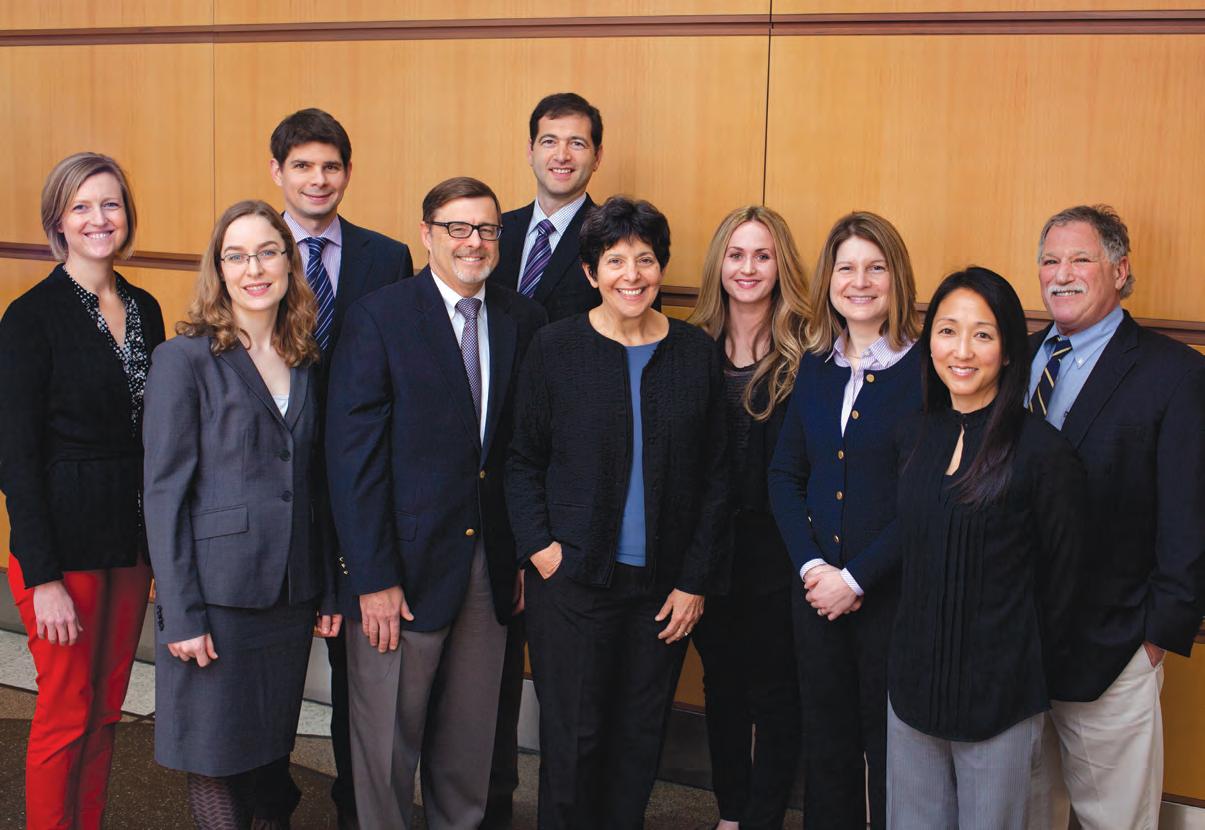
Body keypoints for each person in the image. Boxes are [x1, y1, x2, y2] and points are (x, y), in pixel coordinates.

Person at [325, 177, 545, 829]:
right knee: (385, 748)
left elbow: (524, 450)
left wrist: (520, 554)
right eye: (457, 228)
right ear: (427, 234)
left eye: (486, 229)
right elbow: (352, 460)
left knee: (469, 747)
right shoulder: (380, 317)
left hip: (488, 569)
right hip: (400, 572)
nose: (473, 242)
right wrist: (372, 578)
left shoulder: (522, 320)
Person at [506, 195, 729, 829]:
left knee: (638, 742)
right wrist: (542, 551)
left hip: (662, 591)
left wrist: (694, 581)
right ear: (590, 272)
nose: (632, 275)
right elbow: (522, 460)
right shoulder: (555, 347)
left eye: (646, 260)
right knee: (573, 743)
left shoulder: (694, 352)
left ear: (662, 267)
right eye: (615, 260)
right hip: (571, 584)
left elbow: (717, 478)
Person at [142, 200, 340, 829]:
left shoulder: (305, 355)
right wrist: (181, 613)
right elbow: (164, 493)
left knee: (267, 760)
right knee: (214, 760)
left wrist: (328, 586)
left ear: (288, 262)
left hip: (286, 599)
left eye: (267, 252)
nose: (254, 269)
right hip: (216, 599)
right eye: (237, 256)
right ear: (219, 269)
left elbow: (315, 483)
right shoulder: (185, 359)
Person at [1025, 206, 1205, 830]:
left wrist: (1155, 639)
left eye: (1081, 259)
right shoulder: (1012, 357)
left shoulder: (1175, 373)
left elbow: (1189, 515)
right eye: (1050, 260)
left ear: (1120, 270)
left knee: (1116, 821)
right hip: (1012, 645)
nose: (1061, 274)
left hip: (1114, 644)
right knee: (1023, 813)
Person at [887, 267, 1086, 829]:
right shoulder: (912, 435)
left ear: (1008, 349)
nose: (962, 351)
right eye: (947, 331)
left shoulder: (1043, 453)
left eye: (982, 334)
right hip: (912, 688)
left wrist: (1018, 664)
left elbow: (1064, 585)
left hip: (1001, 698)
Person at [0, 152, 165, 830]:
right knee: (65, 712)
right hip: (62, 554)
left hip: (129, 545)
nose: (99, 218)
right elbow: (15, 457)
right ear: (58, 221)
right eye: (82, 206)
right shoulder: (29, 317)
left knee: (105, 711)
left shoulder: (145, 307)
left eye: (110, 203)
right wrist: (42, 578)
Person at [268, 106, 413, 830]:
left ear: (349, 173)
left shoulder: (387, 258)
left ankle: (357, 809)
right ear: (277, 173)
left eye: (330, 166)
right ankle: (266, 804)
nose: (317, 179)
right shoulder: (251, 248)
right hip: (273, 488)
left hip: (359, 486)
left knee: (360, 671)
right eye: (302, 165)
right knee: (268, 665)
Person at [768, 211, 922, 830]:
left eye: (875, 267)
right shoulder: (816, 364)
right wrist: (814, 568)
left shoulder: (927, 369)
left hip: (893, 600)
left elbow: (927, 499)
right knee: (827, 750)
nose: (860, 282)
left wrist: (855, 579)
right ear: (828, 279)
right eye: (846, 268)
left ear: (897, 277)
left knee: (892, 757)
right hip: (816, 598)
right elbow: (785, 475)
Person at [486, 90, 606, 828]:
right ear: (529, 149)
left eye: (577, 142)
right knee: (488, 670)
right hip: (483, 479)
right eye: (549, 140)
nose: (562, 154)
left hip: (564, 493)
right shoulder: (489, 232)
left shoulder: (611, 240)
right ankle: (490, 807)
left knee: (571, 688)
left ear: (596, 156)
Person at [687, 205, 809, 830]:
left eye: (763, 255)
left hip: (779, 551)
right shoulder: (691, 348)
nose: (749, 268)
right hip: (709, 547)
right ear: (719, 263)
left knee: (775, 690)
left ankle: (763, 817)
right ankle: (731, 813)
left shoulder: (809, 354)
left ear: (781, 265)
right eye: (736, 254)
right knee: (721, 686)